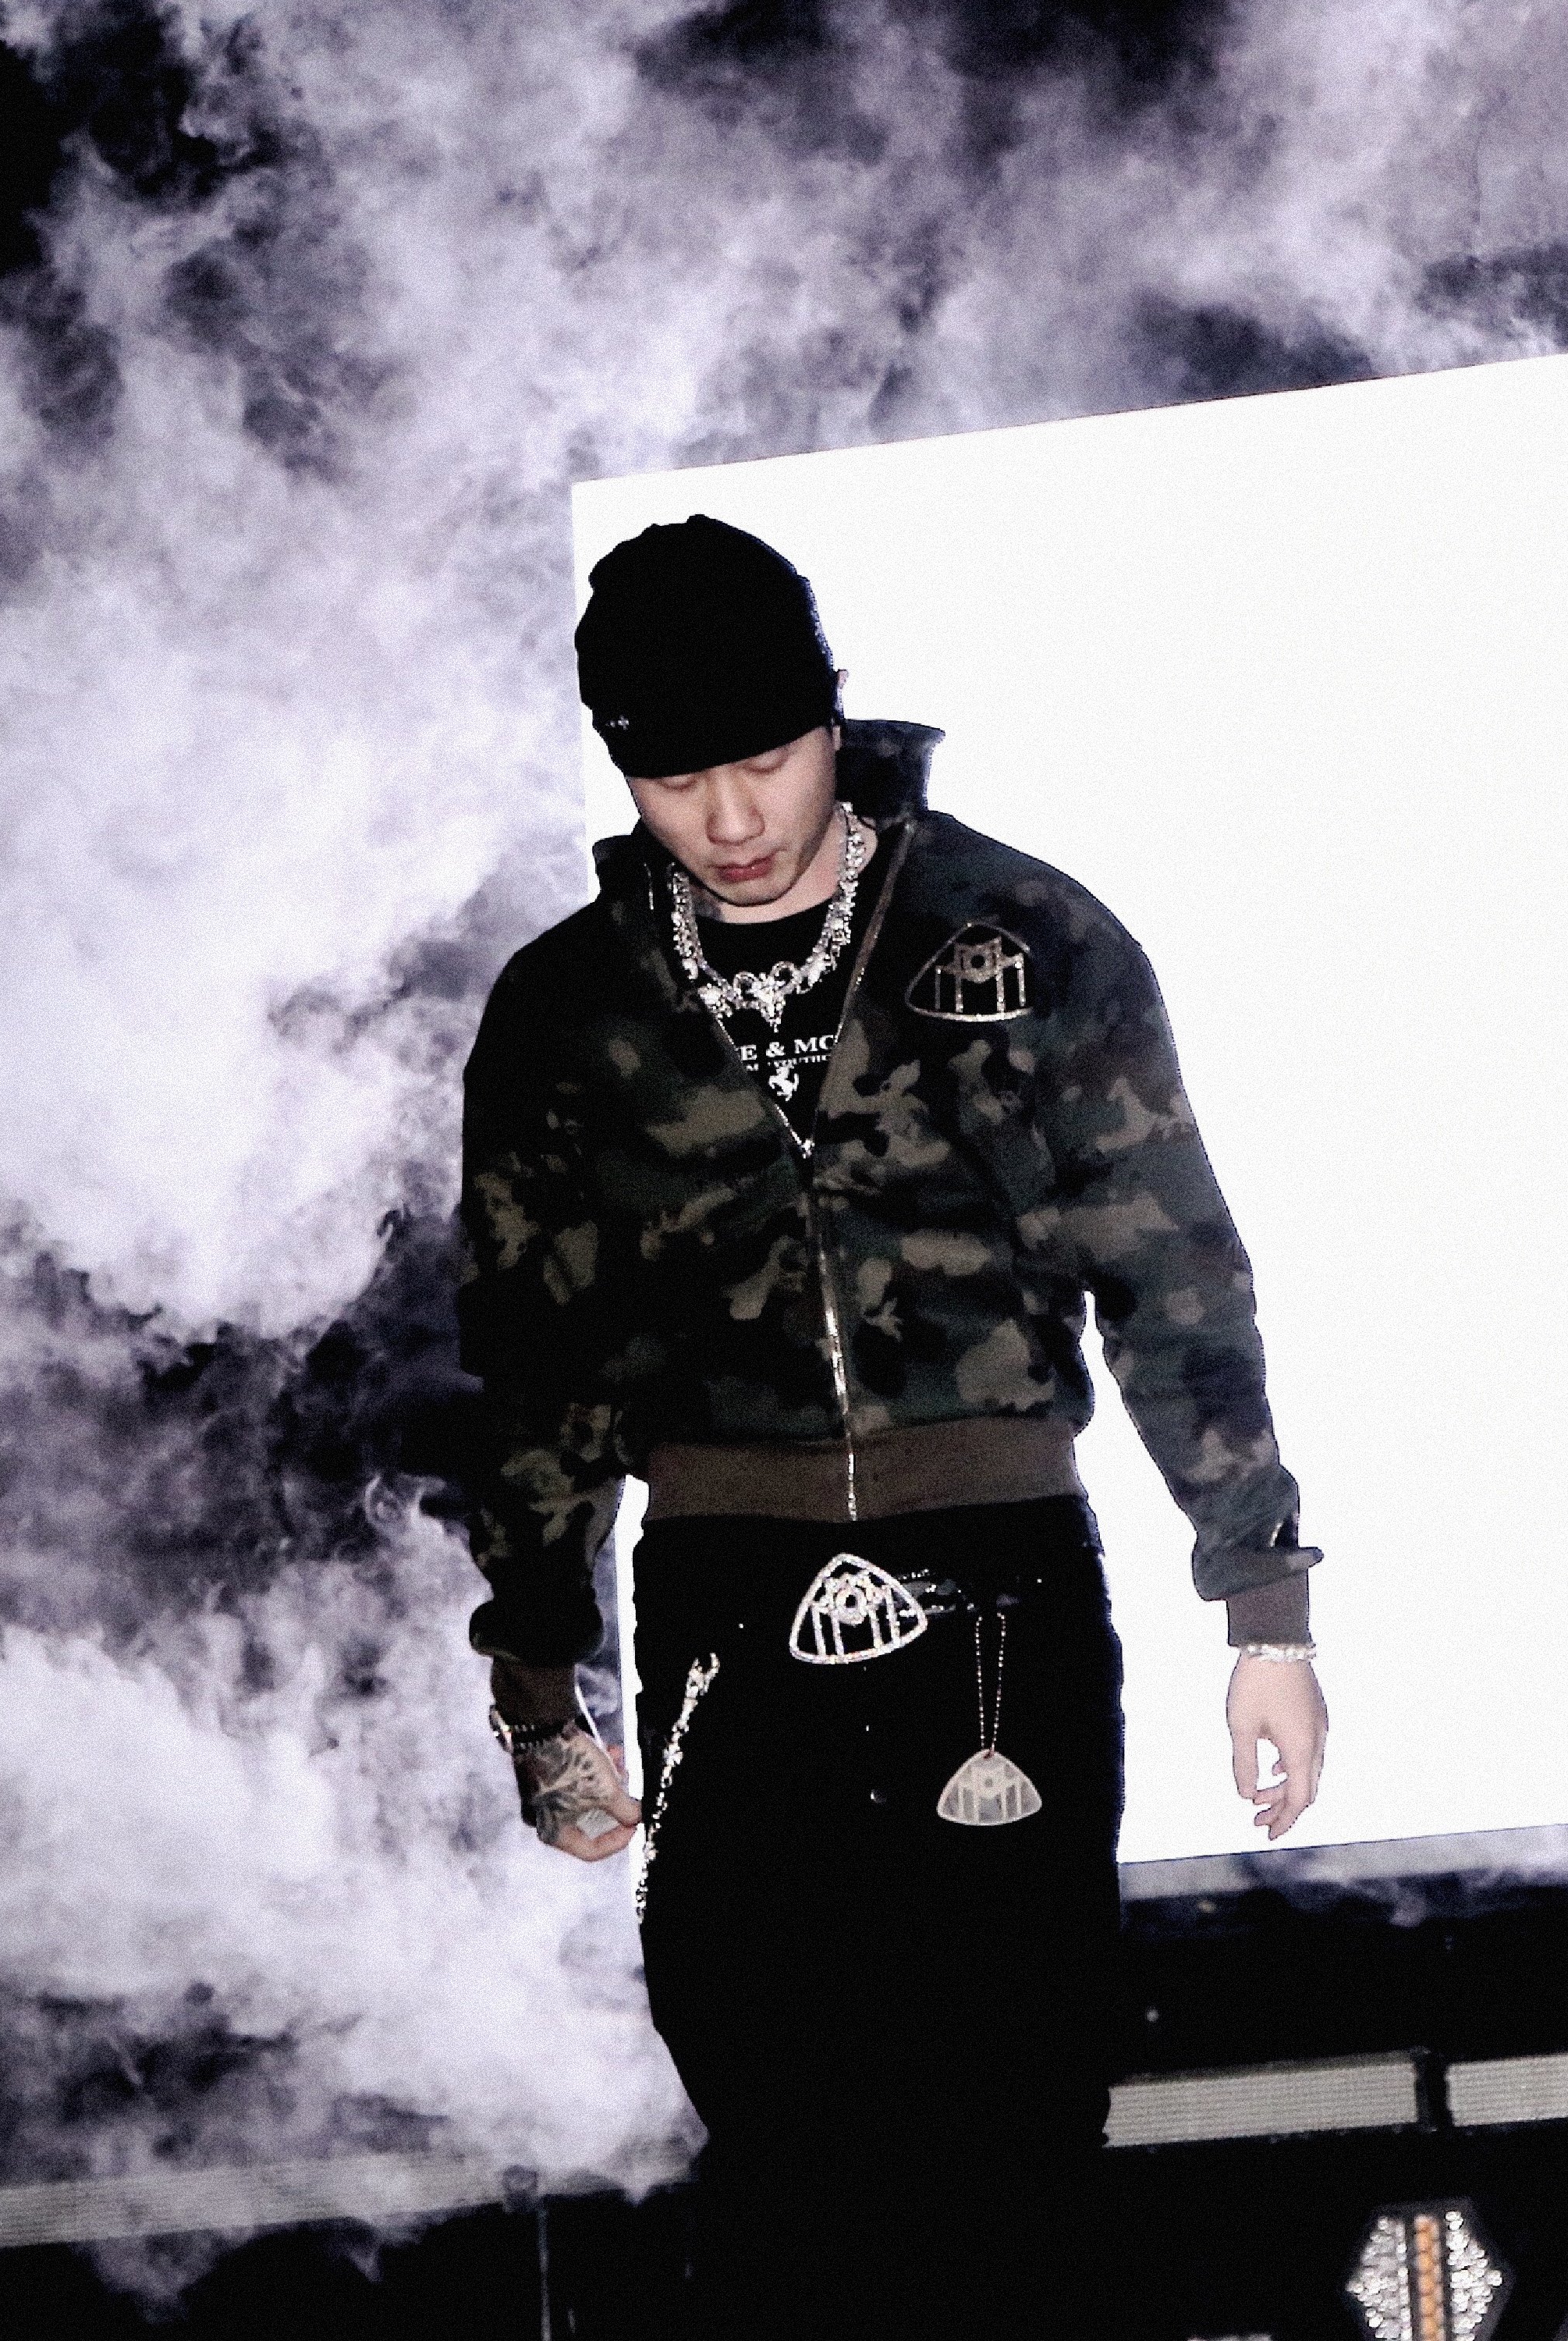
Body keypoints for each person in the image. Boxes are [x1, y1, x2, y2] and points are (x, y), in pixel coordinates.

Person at [456, 514, 1327, 2338]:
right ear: (618, 765)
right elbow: (538, 1364)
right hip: (724, 1587)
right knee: (777, 2123)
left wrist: (1264, 1611)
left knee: (1012, 2118)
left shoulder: (1025, 937)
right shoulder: (566, 1015)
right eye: (675, 778)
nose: (731, 818)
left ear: (832, 720)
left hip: (998, 1575)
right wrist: (542, 1690)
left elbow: (1173, 1272)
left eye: (766, 758)